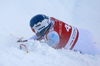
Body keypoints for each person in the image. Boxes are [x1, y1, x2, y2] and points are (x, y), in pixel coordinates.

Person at [18, 14, 100, 55]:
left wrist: (32, 44)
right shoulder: (51, 20)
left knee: (96, 51)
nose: (34, 31)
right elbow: (40, 34)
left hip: (83, 45)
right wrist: (28, 40)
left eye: (33, 29)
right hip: (84, 33)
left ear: (40, 26)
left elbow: (51, 43)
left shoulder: (52, 34)